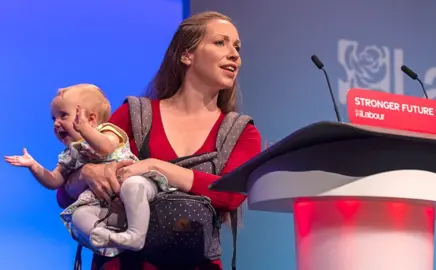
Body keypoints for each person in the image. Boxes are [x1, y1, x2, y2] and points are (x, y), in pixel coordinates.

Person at [56, 11, 262, 270]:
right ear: (187, 55)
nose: (234, 54)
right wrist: (86, 174)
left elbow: (231, 194)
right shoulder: (135, 115)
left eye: (237, 47)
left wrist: (158, 167)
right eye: (220, 42)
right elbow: (64, 195)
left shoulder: (241, 132)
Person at [5, 84, 172, 257]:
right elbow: (54, 181)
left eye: (63, 115)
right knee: (79, 216)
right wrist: (34, 166)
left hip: (134, 190)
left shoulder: (107, 131)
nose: (56, 123)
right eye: (53, 118)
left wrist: (85, 131)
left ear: (91, 119)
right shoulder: (69, 155)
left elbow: (105, 148)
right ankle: (113, 242)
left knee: (133, 185)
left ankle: (136, 235)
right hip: (109, 209)